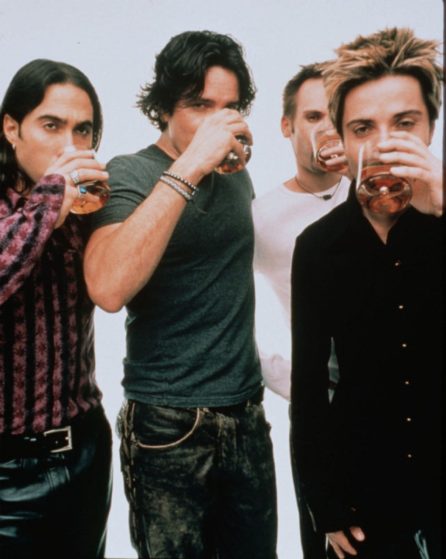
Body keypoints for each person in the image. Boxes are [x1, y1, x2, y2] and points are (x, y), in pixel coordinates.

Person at [83, 30, 277, 559]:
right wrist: (190, 164)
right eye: (199, 105)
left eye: (228, 108)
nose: (217, 122)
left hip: (246, 413)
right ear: (165, 106)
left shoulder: (236, 175)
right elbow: (108, 288)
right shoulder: (129, 172)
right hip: (168, 424)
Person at [290, 27, 442, 559]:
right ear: (343, 139)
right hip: (366, 494)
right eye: (363, 128)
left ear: (431, 127)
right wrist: (325, 507)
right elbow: (309, 389)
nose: (382, 144)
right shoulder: (318, 246)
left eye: (405, 123)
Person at [0, 59, 112, 559]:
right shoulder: (52, 198)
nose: (70, 145)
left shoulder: (86, 206)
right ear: (11, 128)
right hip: (6, 472)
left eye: (82, 130)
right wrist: (51, 199)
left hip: (85, 453)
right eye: (52, 125)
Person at [253, 61, 350, 559]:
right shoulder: (262, 217)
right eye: (313, 116)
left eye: (337, 115)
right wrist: (285, 378)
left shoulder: (386, 191)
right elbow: (222, 299)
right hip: (322, 414)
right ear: (287, 126)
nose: (327, 128)